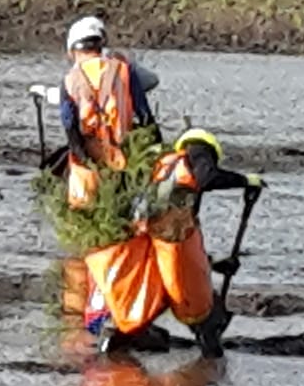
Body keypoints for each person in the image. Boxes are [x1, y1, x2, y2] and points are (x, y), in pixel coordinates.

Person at [82, 129, 263, 357]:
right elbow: (208, 178)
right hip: (169, 240)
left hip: (148, 236)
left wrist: (215, 264)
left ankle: (120, 341)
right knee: (190, 297)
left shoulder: (164, 166)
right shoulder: (197, 155)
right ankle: (209, 353)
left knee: (157, 293)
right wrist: (245, 180)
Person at [58, 16, 161, 211]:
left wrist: (86, 160)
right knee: (124, 212)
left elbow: (69, 126)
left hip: (89, 159)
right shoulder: (124, 70)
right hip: (123, 158)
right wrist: (156, 152)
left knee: (84, 213)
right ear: (99, 45)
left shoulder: (68, 81)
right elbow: (145, 116)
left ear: (73, 50)